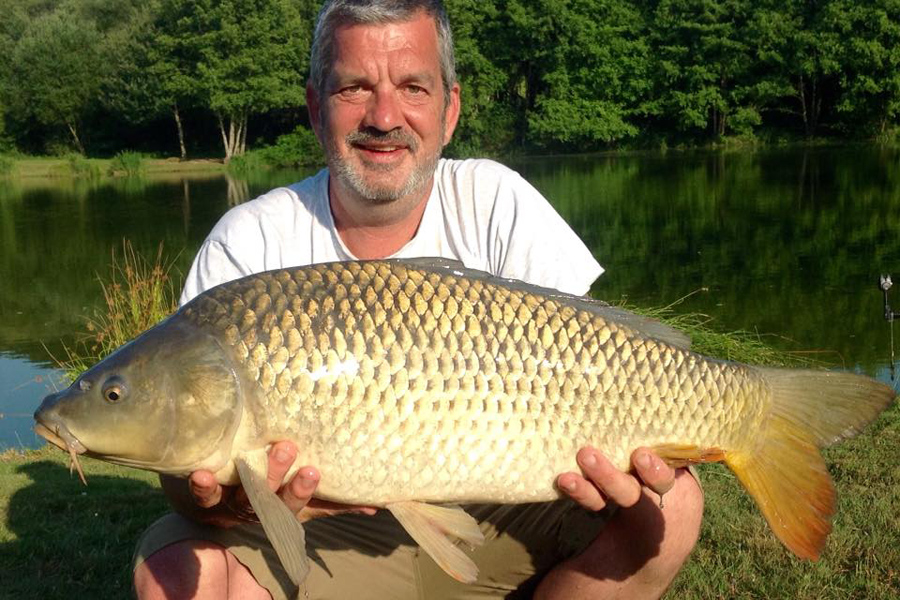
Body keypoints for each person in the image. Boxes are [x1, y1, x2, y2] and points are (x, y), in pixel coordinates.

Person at [133, 1, 704, 598]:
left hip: (501, 517)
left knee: (675, 502)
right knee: (176, 572)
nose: (385, 116)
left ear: (449, 108)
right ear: (314, 106)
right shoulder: (249, 241)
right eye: (355, 87)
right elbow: (185, 480)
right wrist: (232, 504)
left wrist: (629, 458)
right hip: (323, 531)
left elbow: (598, 360)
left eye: (412, 86)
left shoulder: (496, 202)